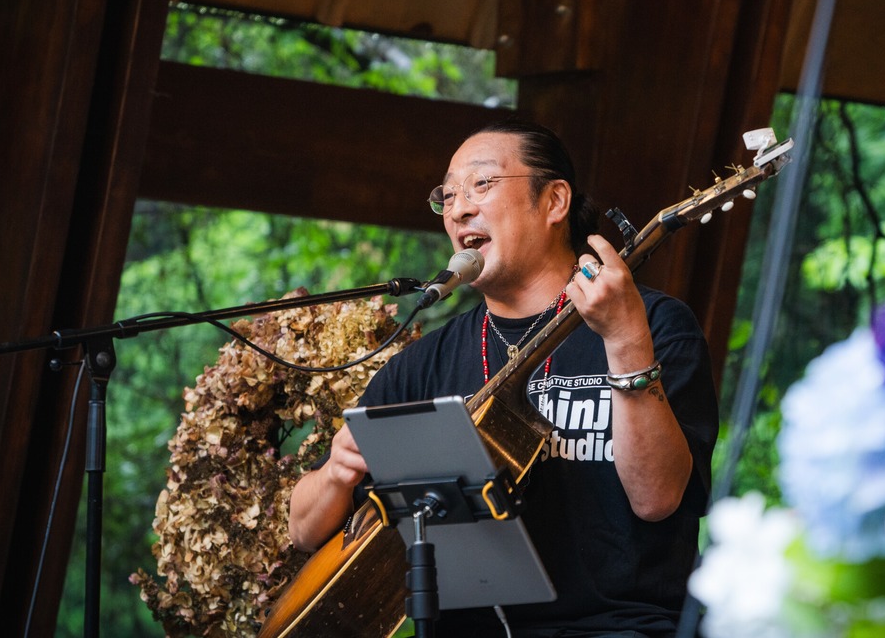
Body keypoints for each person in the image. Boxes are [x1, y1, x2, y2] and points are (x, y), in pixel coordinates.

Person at [288, 119, 718, 637]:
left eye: (481, 185)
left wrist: (625, 344)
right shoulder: (425, 363)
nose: (459, 207)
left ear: (554, 201)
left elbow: (658, 499)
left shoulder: (655, 325)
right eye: (447, 195)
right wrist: (337, 471)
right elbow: (303, 529)